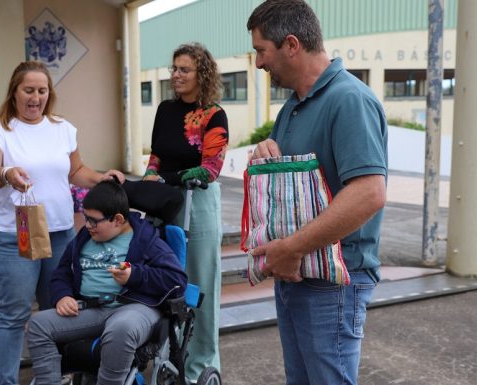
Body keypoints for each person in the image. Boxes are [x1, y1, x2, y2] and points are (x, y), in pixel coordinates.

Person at [246, 1, 388, 384]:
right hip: (297, 273)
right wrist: (264, 154)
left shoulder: (349, 100)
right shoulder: (292, 107)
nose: (258, 63)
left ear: (291, 44)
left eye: (261, 50)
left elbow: (369, 193)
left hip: (334, 283)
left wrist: (292, 248)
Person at [0, 60, 124, 385]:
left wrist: (101, 178)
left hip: (60, 234)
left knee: (57, 310)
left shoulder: (62, 128)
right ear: (14, 92)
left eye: (42, 90)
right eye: (29, 90)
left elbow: (75, 172)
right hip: (15, 237)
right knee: (14, 315)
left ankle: (51, 378)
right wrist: (6, 173)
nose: (36, 97)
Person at [27, 180, 188, 385]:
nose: (87, 225)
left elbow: (177, 280)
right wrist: (63, 296)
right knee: (39, 324)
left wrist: (135, 275)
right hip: (91, 309)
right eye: (86, 218)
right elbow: (62, 273)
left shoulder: (146, 240)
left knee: (121, 328)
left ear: (118, 219)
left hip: (134, 308)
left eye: (94, 221)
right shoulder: (84, 238)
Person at [142, 42, 228, 381]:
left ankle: (200, 366)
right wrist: (151, 175)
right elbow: (156, 154)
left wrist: (165, 178)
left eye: (184, 70)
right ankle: (172, 358)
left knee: (200, 284)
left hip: (199, 202)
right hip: (165, 201)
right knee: (169, 285)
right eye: (174, 69)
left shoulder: (213, 115)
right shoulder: (165, 109)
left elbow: (210, 169)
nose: (176, 75)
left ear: (201, 74)